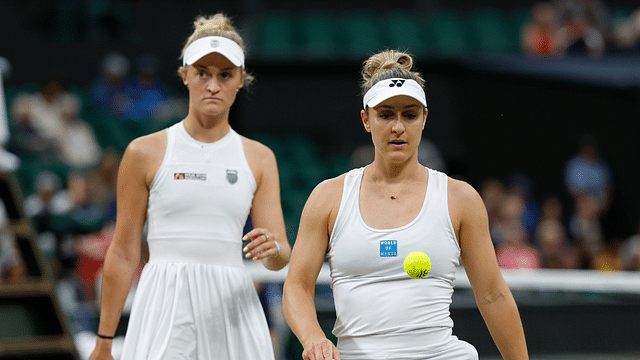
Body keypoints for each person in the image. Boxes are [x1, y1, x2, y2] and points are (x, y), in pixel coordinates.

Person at [282, 50, 528, 360]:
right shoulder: (328, 197)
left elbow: (493, 295)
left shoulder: (460, 198)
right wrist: (313, 338)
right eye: (386, 114)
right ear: (366, 120)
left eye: (409, 115)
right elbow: (296, 287)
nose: (398, 126)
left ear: (424, 118)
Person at [88, 13, 291, 360]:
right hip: (162, 302)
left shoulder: (259, 158)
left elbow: (281, 254)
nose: (213, 85)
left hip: (233, 304)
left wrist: (272, 251)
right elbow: (123, 251)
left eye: (225, 75)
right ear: (185, 76)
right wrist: (104, 342)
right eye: (202, 73)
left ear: (241, 79)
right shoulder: (143, 152)